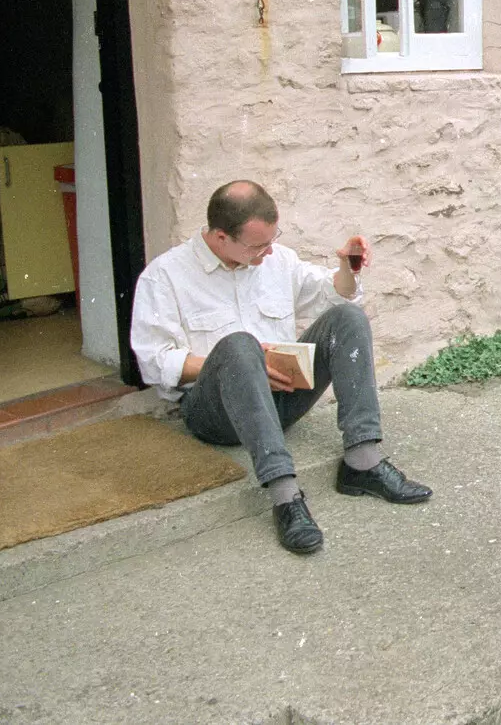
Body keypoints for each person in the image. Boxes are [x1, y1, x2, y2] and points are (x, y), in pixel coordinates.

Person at [130, 180, 431, 555]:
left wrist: (347, 268)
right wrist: (241, 363)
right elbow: (154, 362)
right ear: (221, 237)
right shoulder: (164, 277)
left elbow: (331, 293)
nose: (268, 251)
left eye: (272, 240)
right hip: (215, 414)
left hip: (284, 398)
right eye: (257, 245)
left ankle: (362, 461)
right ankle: (286, 497)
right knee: (240, 345)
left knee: (347, 317)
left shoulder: (277, 259)